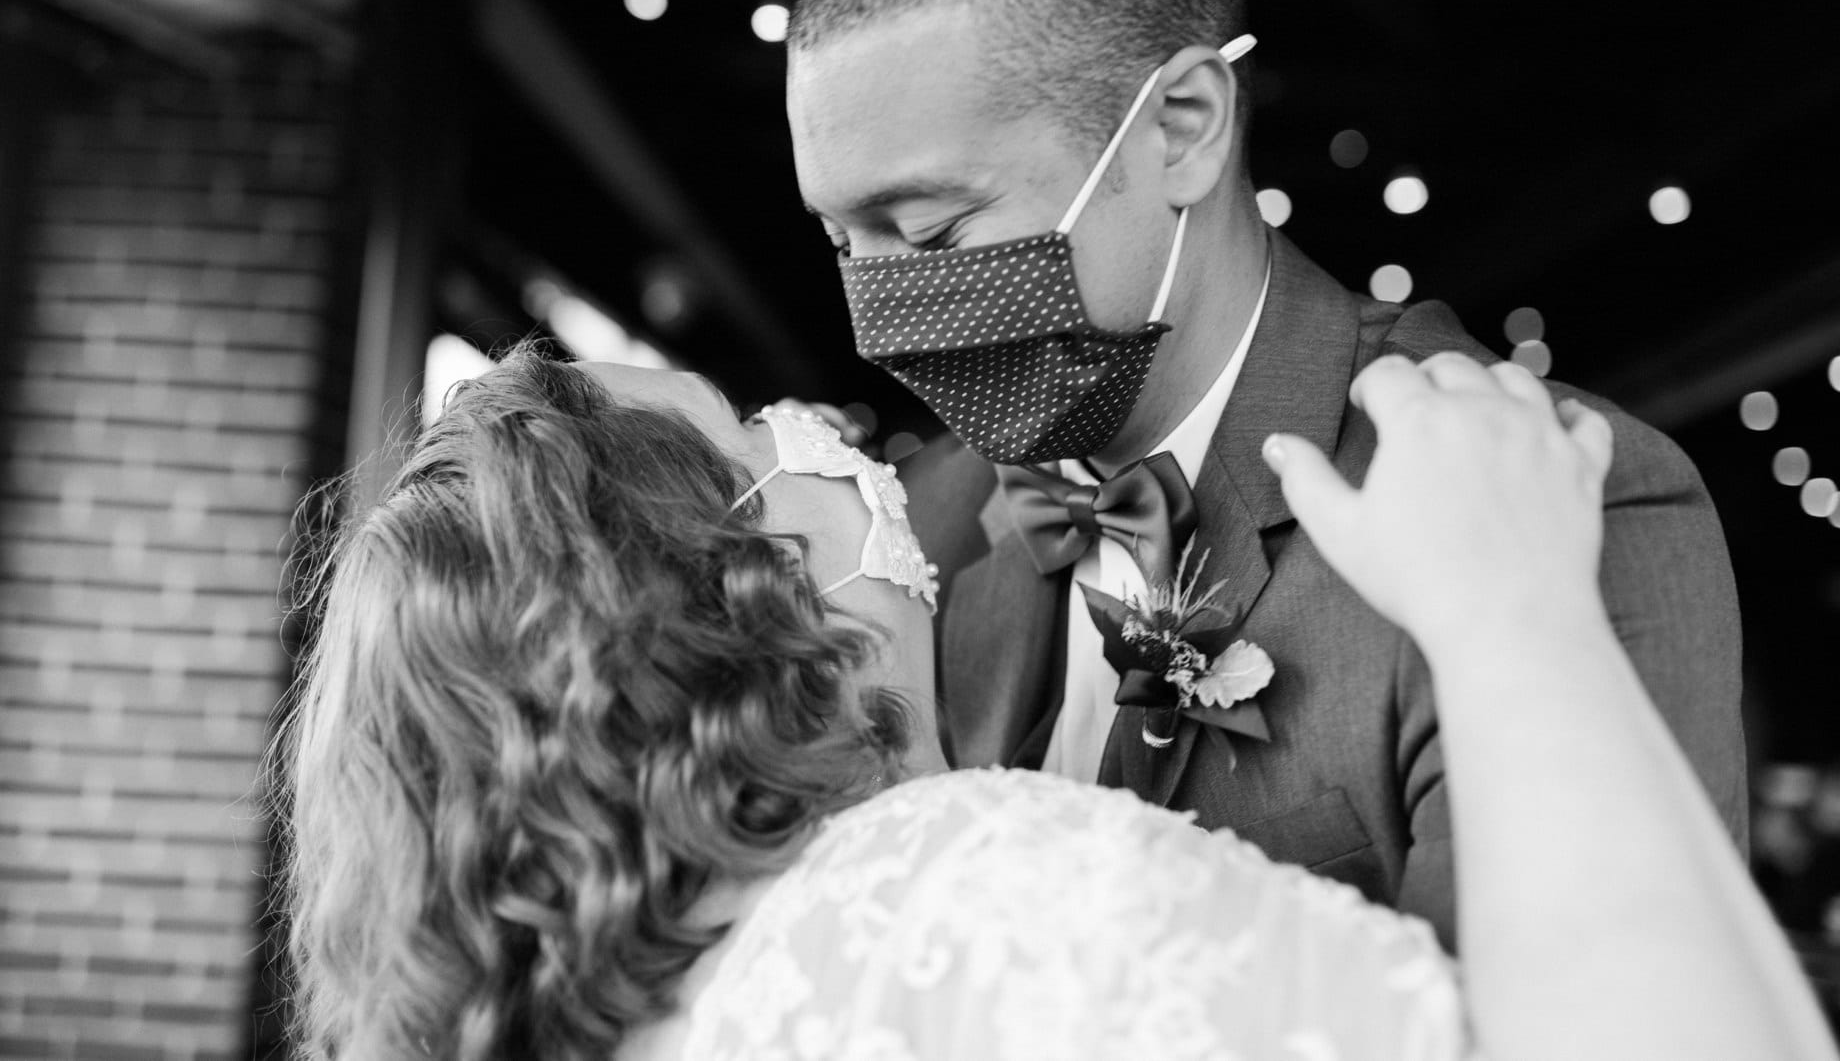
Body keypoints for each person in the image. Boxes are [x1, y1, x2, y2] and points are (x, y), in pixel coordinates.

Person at [274, 344, 1832, 1060]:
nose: (816, 413)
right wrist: (1513, 611)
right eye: (748, 419)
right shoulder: (956, 878)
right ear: (712, 574)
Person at [784, 0, 1746, 948]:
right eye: (842, 241)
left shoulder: (1565, 503)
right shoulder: (914, 539)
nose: (880, 307)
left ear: (1182, 127)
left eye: (930, 231)